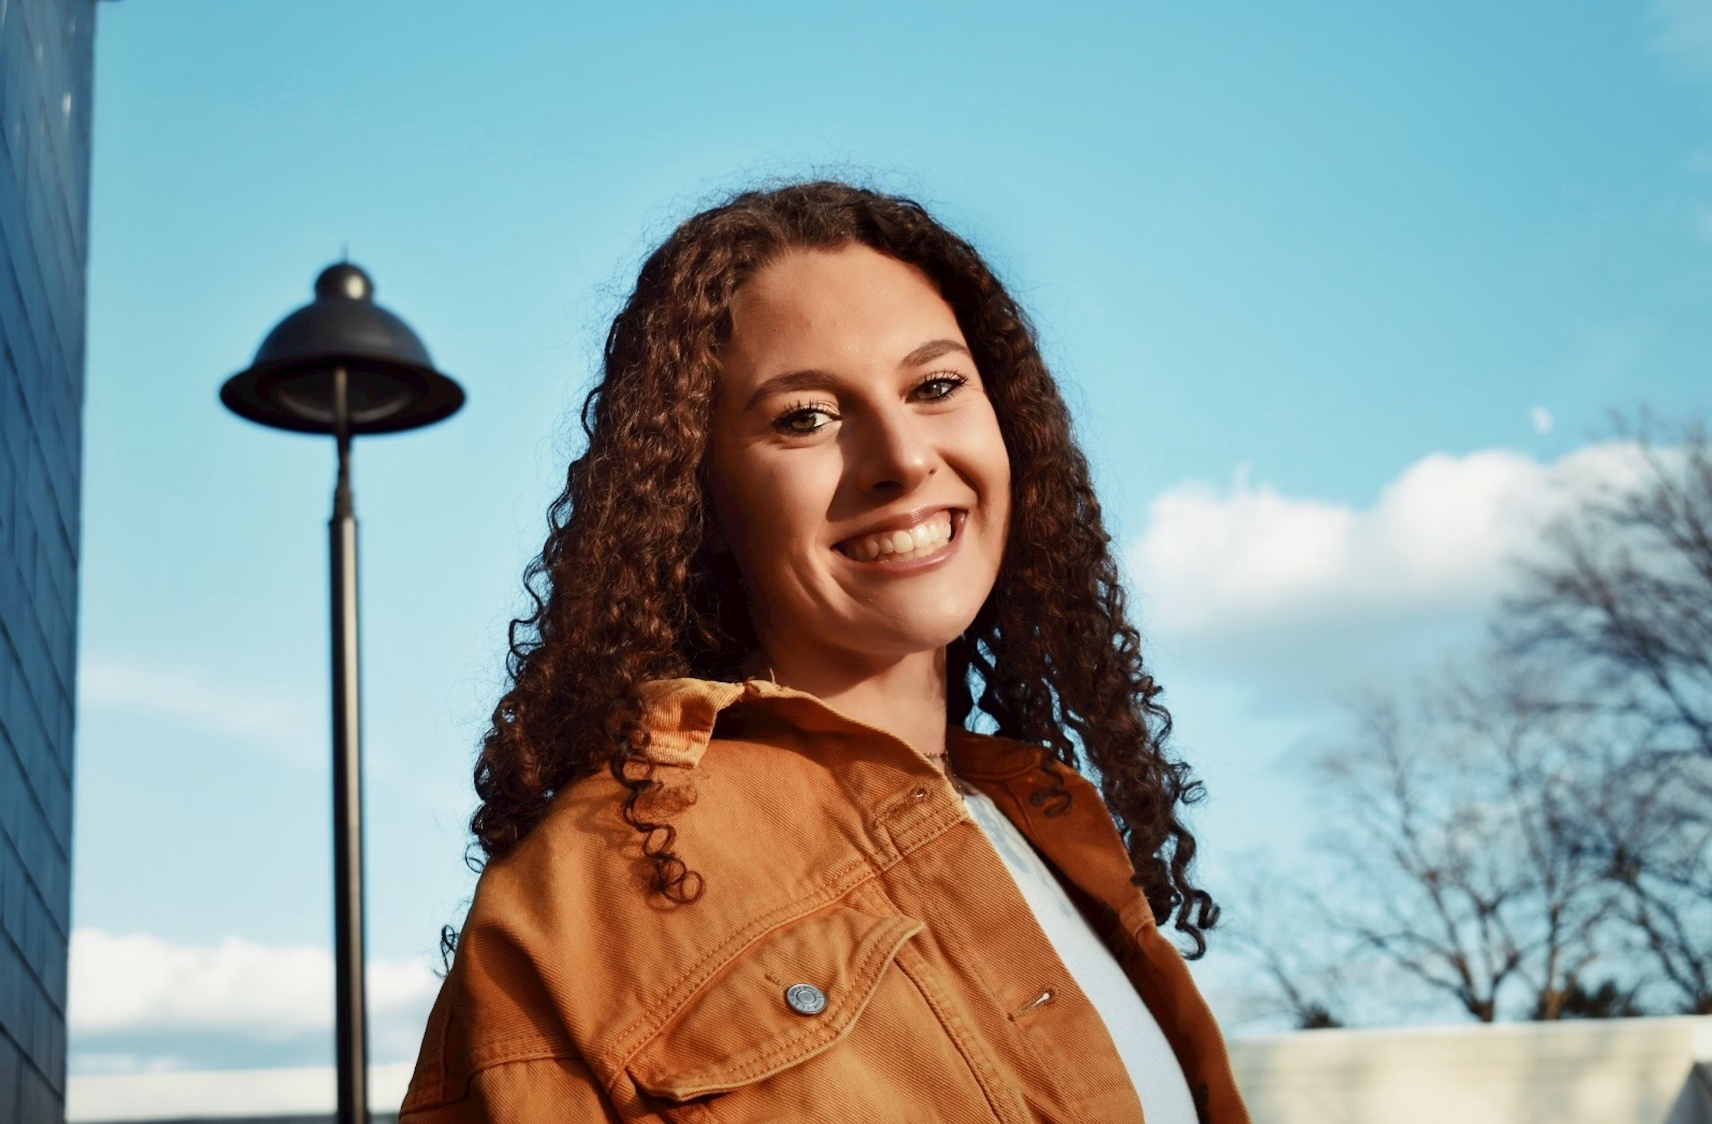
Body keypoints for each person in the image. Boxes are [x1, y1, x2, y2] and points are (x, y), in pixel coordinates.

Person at [402, 182, 1250, 1123]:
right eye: (804, 417)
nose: (903, 456)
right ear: (702, 500)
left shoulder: (1060, 845)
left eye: (935, 387)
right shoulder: (582, 902)